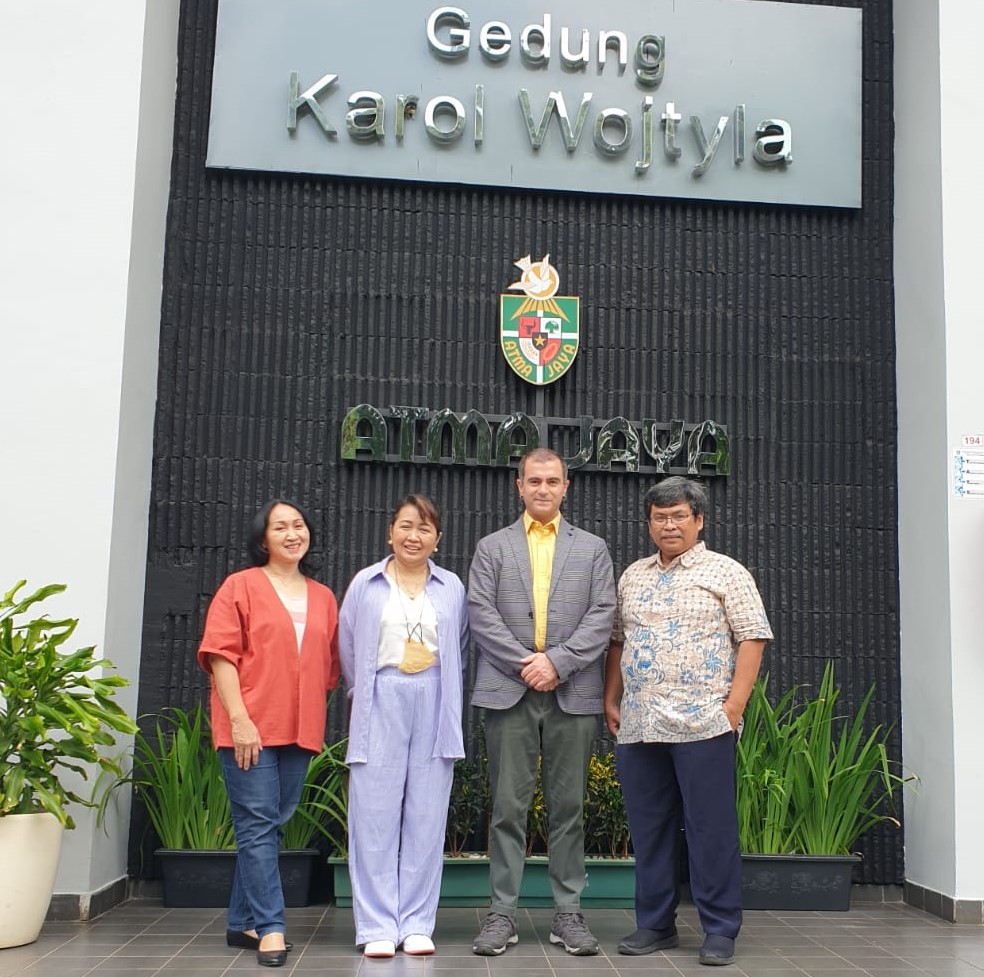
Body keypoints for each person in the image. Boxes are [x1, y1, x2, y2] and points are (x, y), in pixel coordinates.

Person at [603, 477, 773, 967]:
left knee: (710, 829)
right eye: (660, 517)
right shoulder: (633, 576)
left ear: (698, 520)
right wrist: (610, 697)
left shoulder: (726, 572)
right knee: (650, 828)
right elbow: (618, 641)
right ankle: (655, 924)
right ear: (649, 523)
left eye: (679, 516)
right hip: (640, 723)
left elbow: (753, 637)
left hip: (704, 723)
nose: (669, 525)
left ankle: (719, 928)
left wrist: (733, 708)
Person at [468, 447, 616, 957]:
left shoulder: (593, 549)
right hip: (509, 691)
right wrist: (526, 664)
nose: (543, 489)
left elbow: (602, 614)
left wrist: (557, 662)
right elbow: (481, 613)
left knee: (568, 808)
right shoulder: (492, 547)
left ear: (566, 486)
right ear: (520, 486)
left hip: (571, 692)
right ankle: (501, 914)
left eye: (553, 481)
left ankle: (568, 913)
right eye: (534, 480)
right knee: (507, 807)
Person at [197, 499, 339, 968]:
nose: (292, 534)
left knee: (270, 823)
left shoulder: (323, 596)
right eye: (280, 527)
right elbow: (220, 655)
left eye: (299, 525)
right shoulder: (240, 586)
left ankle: (242, 921)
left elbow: (329, 665)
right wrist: (239, 720)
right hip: (250, 725)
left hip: (299, 727)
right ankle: (271, 927)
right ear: (263, 538)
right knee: (257, 824)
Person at [338, 494, 469, 959]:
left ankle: (416, 923)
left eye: (424, 528)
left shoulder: (451, 587)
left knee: (426, 816)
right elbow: (348, 646)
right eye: (406, 526)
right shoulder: (366, 583)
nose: (414, 536)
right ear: (390, 532)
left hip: (434, 696)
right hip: (381, 695)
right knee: (373, 813)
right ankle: (376, 924)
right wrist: (368, 694)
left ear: (438, 538)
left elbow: (460, 647)